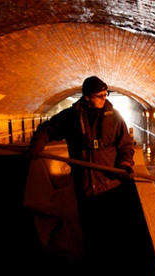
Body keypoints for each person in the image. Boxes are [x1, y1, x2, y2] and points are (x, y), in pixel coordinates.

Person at [28, 76, 136, 273]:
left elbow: (125, 145)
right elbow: (48, 128)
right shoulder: (70, 117)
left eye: (106, 94)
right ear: (87, 97)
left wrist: (126, 163)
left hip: (111, 186)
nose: (105, 98)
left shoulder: (115, 117)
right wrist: (38, 142)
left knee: (111, 232)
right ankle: (92, 264)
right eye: (100, 95)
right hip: (85, 187)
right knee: (90, 231)